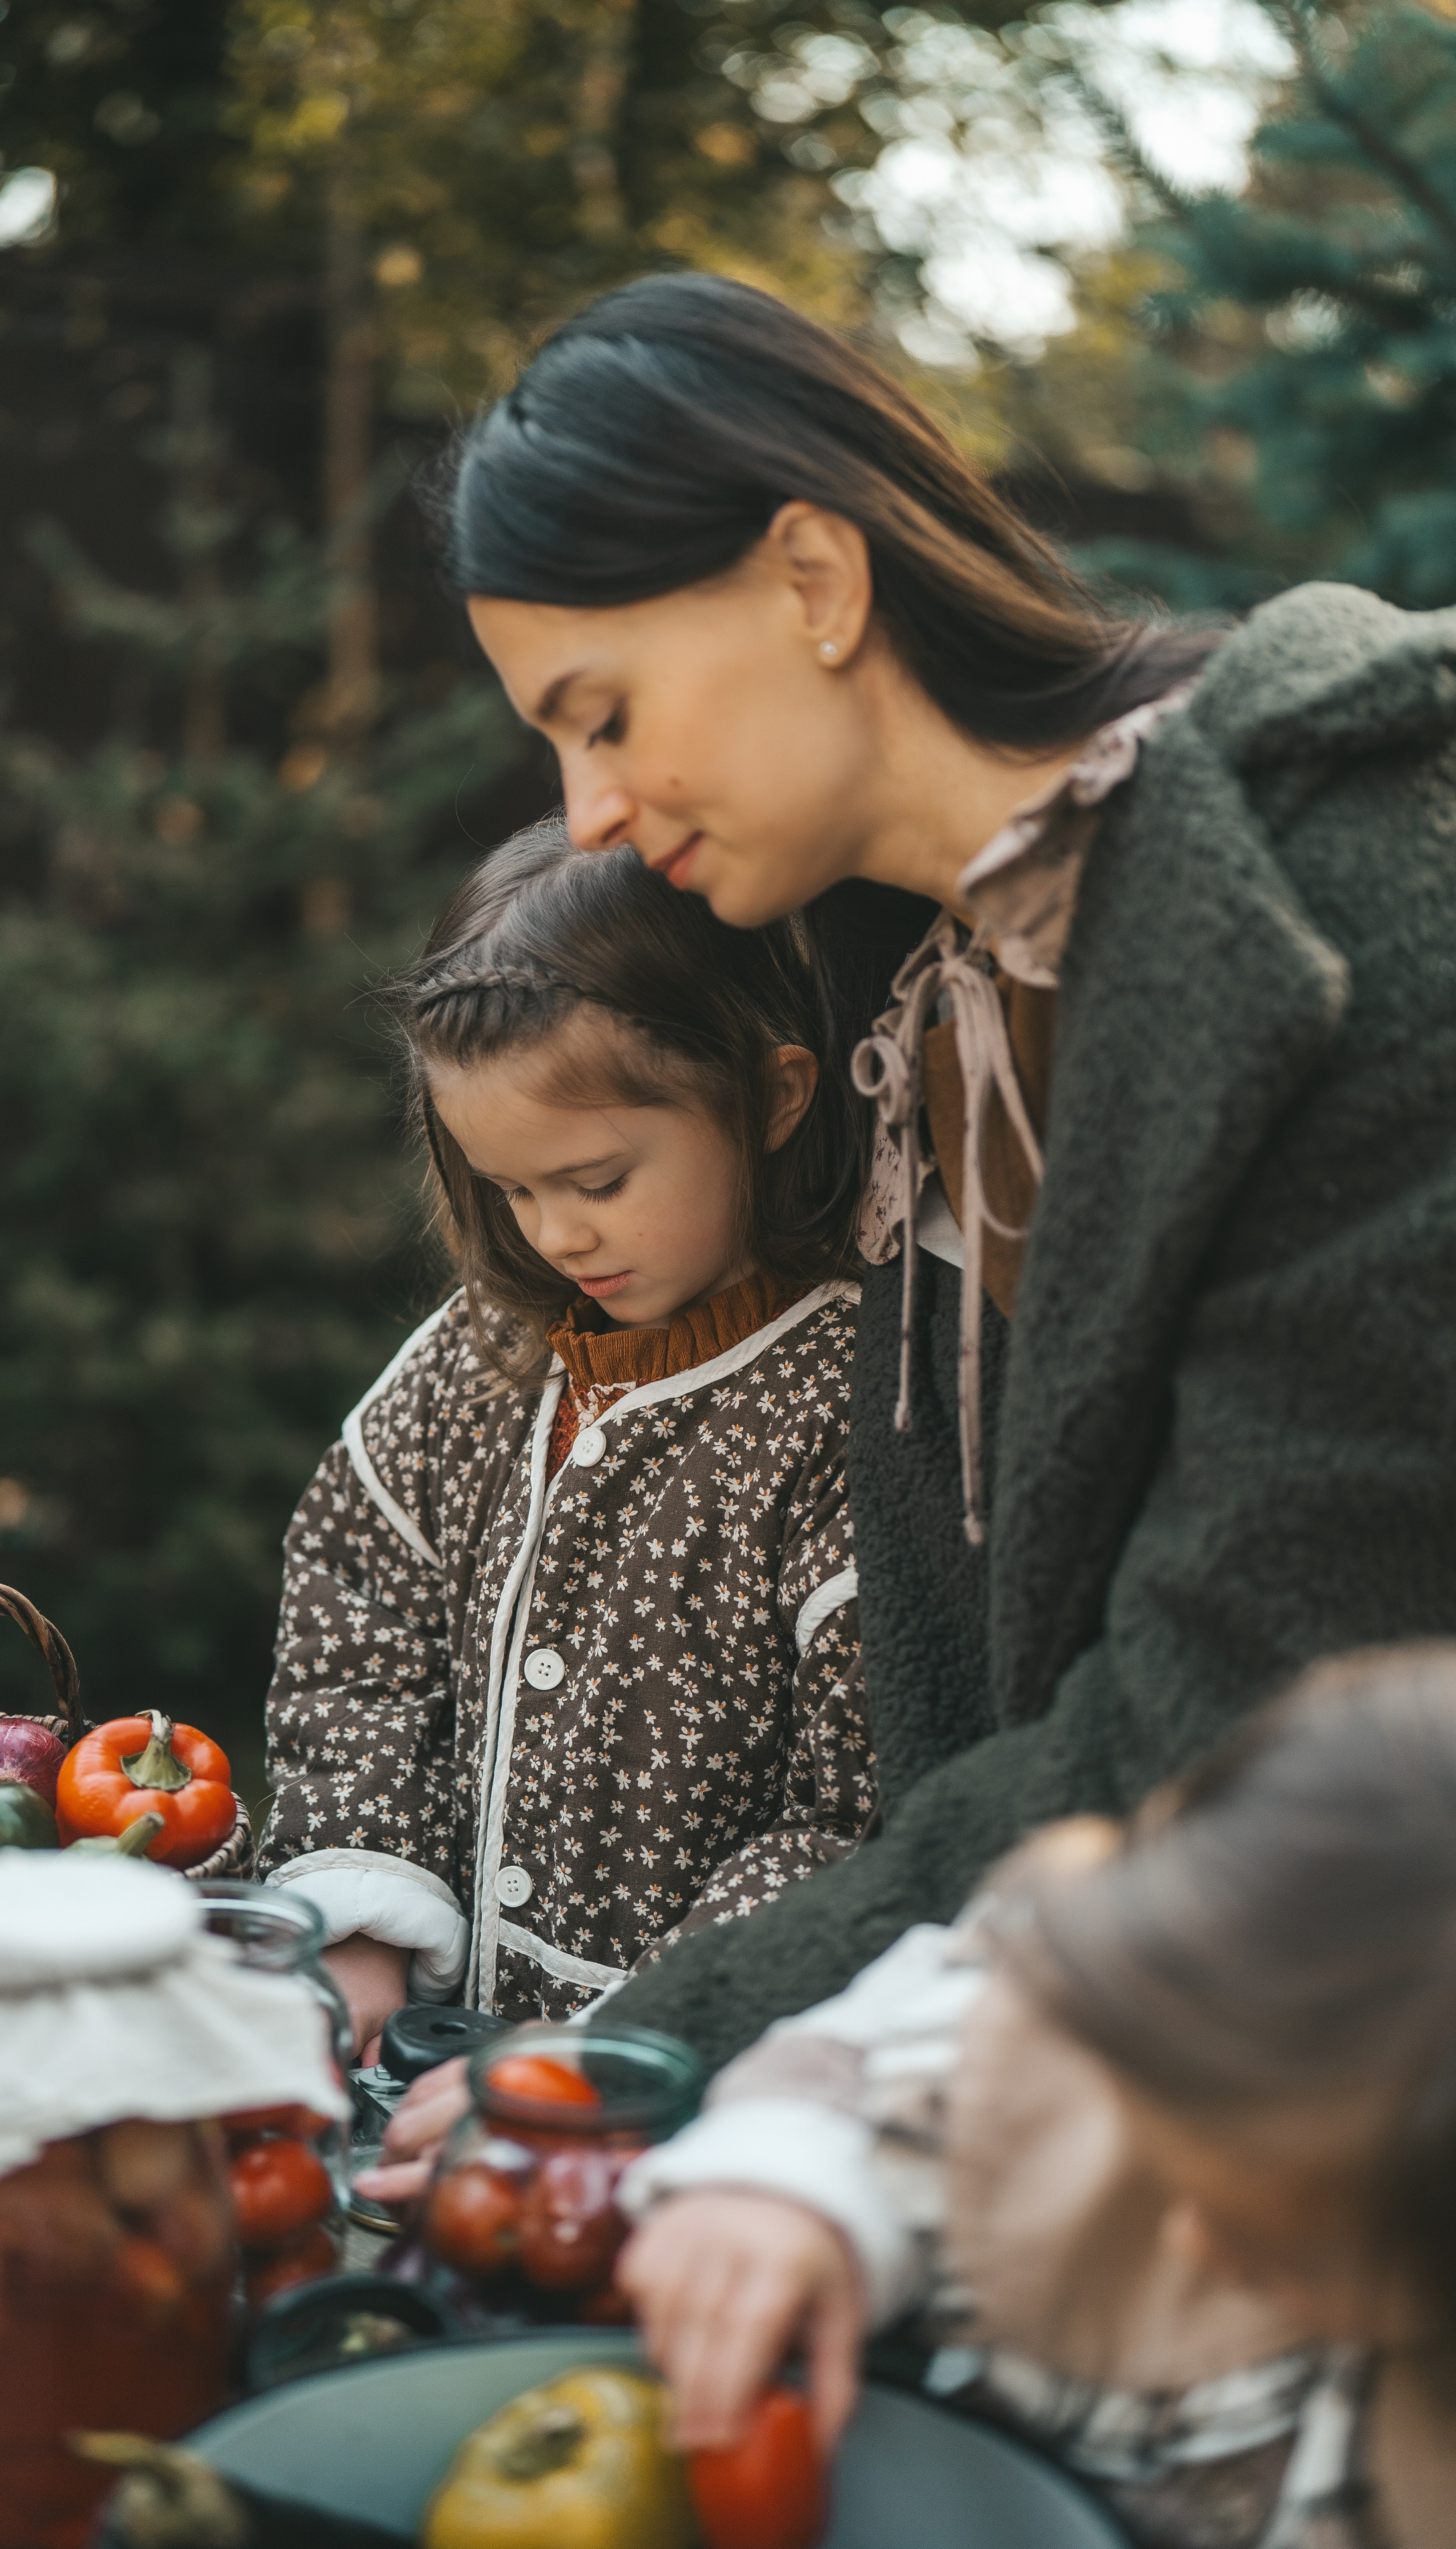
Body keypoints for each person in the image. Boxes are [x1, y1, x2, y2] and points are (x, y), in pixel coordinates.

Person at [435, 267, 1456, 2074]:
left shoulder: (1355, 898)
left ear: (816, 582)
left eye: (603, 714)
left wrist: (669, 2050)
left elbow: (1231, 1723)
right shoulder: (921, 1002)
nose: (583, 811)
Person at [257, 816, 879, 2064]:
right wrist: (368, 1910)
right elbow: (357, 1630)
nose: (556, 1237)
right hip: (426, 2073)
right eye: (512, 1188)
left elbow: (851, 1818)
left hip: (681, 2106)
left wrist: (636, 2040)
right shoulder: (478, 1359)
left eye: (598, 1181)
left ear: (773, 1095)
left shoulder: (848, 1410)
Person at [619, 1644, 1456, 2549]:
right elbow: (916, 2041)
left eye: (1274, 2246)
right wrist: (788, 2185)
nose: (1190, 2238)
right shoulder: (1108, 2018)